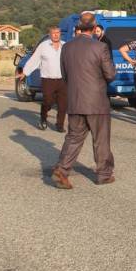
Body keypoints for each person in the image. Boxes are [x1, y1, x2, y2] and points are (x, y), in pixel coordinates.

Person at [53, 20, 117, 188]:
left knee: (73, 137)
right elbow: (110, 74)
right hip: (96, 101)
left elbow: (64, 74)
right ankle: (103, 174)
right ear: (94, 28)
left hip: (75, 99)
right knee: (100, 139)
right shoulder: (99, 47)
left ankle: (62, 169)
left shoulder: (66, 47)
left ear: (78, 28)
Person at [17, 26, 67, 132]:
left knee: (63, 104)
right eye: (53, 33)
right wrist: (25, 72)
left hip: (62, 80)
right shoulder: (43, 46)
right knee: (47, 101)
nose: (56, 35)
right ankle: (43, 119)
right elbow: (34, 60)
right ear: (50, 34)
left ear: (60, 33)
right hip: (47, 79)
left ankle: (60, 125)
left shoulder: (65, 45)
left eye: (58, 32)